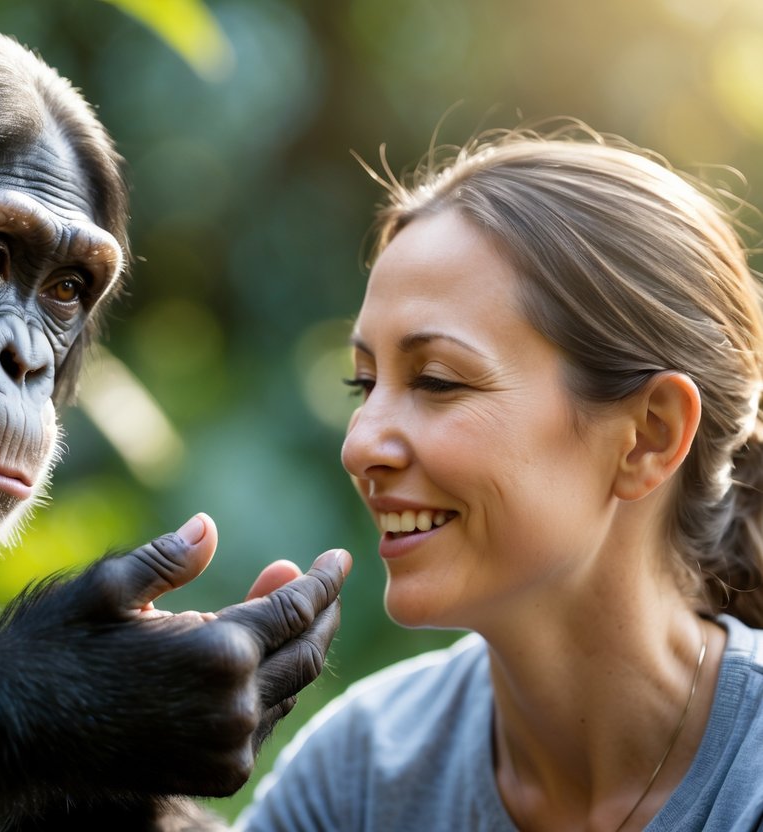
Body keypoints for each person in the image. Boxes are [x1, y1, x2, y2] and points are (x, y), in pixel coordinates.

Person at [235, 126, 763, 831]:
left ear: (648, 436)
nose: (358, 444)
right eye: (361, 383)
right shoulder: (358, 776)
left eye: (436, 380)